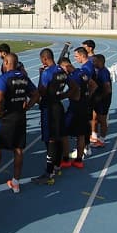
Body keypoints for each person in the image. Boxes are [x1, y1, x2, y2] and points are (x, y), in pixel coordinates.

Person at [0, 53, 39, 189]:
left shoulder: (3, 78)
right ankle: (15, 182)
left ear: (6, 62)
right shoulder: (24, 78)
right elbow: (35, 94)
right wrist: (27, 107)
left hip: (6, 118)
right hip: (20, 117)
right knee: (18, 150)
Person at [31, 48, 78, 185]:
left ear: (45, 59)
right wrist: (62, 96)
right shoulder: (61, 71)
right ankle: (57, 166)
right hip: (58, 106)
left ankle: (49, 173)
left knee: (50, 139)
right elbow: (74, 88)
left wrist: (41, 75)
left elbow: (41, 91)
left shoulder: (47, 73)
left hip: (49, 109)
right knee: (57, 137)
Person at [58, 57, 91, 169]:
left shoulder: (73, 77)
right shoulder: (82, 73)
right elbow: (93, 85)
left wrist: (63, 96)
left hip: (75, 109)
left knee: (63, 132)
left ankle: (66, 159)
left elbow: (75, 92)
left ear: (65, 66)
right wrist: (86, 98)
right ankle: (79, 160)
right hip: (84, 107)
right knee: (81, 134)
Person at [73, 47, 97, 157]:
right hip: (87, 99)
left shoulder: (86, 68)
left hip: (85, 101)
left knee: (83, 124)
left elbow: (91, 84)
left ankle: (85, 148)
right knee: (85, 123)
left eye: (76, 56)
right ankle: (85, 147)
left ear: (83, 56)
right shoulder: (87, 66)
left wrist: (87, 96)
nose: (75, 58)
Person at [91, 54, 112, 148]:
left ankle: (102, 140)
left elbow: (108, 89)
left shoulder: (104, 73)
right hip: (97, 100)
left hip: (103, 101)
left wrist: (100, 97)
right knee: (94, 118)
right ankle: (94, 136)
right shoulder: (98, 71)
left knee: (102, 120)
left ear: (100, 62)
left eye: (94, 61)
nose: (92, 62)